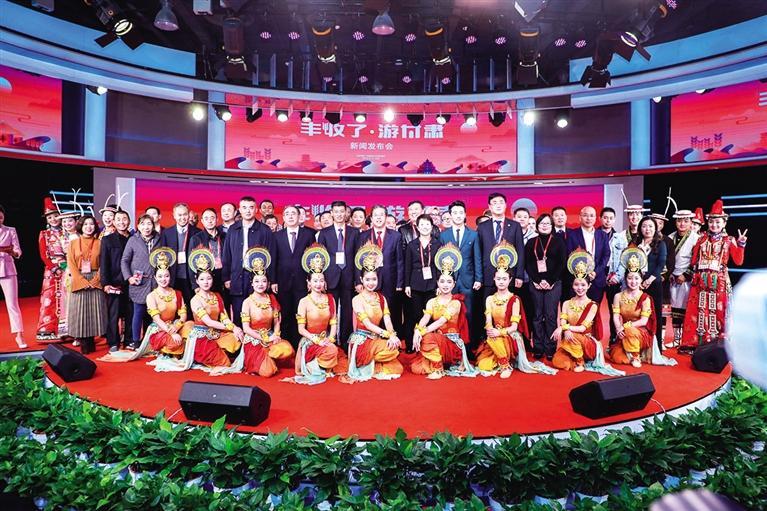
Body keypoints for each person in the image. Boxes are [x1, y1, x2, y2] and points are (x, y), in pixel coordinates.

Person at [98, 247, 193, 368]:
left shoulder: (177, 293)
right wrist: (171, 332)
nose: (163, 279)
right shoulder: (151, 296)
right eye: (160, 276)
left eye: (166, 276)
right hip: (160, 329)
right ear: (155, 278)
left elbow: (183, 315)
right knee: (175, 343)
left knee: (191, 326)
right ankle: (171, 348)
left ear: (170, 277)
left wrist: (176, 327)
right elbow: (157, 319)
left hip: (175, 326)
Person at [476, 242, 557, 377]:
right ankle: (502, 358)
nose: (501, 281)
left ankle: (505, 365)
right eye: (498, 279)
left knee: (494, 342)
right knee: (484, 365)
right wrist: (491, 331)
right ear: (494, 279)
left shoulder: (514, 299)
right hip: (494, 336)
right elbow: (488, 321)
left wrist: (499, 332)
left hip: (510, 336)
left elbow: (514, 327)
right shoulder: (489, 299)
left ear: (510, 280)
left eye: (504, 279)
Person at [680, 200, 747, 352]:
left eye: (717, 222)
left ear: (724, 223)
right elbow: (694, 260)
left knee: (718, 311)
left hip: (719, 282)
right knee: (698, 310)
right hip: (700, 281)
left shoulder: (729, 240)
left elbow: (738, 261)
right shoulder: (702, 239)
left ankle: (720, 344)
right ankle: (696, 343)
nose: (714, 225)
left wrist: (741, 245)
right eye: (711, 222)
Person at [550, 249, 623, 376]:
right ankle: (574, 357)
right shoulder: (566, 303)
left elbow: (582, 328)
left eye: (583, 285)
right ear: (572, 285)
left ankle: (579, 361)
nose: (580, 288)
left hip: (587, 342)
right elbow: (563, 321)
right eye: (576, 285)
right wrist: (565, 328)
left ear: (589, 286)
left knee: (575, 336)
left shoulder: (592, 305)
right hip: (570, 338)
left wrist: (564, 328)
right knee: (558, 362)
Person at [223, 248, 294, 377]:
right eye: (257, 281)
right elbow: (246, 329)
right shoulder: (247, 302)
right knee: (268, 371)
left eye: (263, 281)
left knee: (288, 350)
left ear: (268, 283)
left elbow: (277, 322)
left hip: (270, 337)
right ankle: (261, 360)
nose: (260, 284)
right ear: (252, 283)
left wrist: (276, 335)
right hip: (254, 340)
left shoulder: (272, 299)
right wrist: (265, 338)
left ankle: (268, 356)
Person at [410, 245, 477, 379]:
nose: (445, 285)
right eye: (442, 281)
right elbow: (425, 318)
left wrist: (422, 332)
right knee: (416, 368)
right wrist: (417, 330)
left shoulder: (456, 303)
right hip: (437, 341)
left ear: (454, 284)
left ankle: (438, 369)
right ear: (437, 283)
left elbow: (441, 321)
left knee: (427, 337)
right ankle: (437, 361)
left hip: (452, 344)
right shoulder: (432, 301)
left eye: (449, 282)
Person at [285, 244, 348, 384]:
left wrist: (330, 338)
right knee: (332, 351)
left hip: (326, 340)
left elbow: (333, 323)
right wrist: (316, 339)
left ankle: (319, 365)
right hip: (310, 340)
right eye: (315, 281)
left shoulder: (330, 299)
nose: (318, 284)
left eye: (321, 280)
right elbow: (301, 329)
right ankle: (311, 365)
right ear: (308, 283)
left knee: (337, 355)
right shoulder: (304, 301)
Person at [609, 248, 677, 368]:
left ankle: (636, 356)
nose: (633, 281)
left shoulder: (645, 298)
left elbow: (644, 321)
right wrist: (619, 328)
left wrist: (626, 327)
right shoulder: (618, 296)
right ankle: (630, 350)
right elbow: (615, 316)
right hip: (624, 331)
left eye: (636, 278)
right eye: (630, 278)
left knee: (630, 331)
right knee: (618, 358)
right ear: (625, 279)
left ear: (641, 279)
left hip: (640, 331)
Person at [346, 243, 404, 382]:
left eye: (374, 279)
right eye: (367, 280)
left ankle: (374, 363)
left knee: (397, 364)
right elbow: (367, 324)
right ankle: (368, 362)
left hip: (376, 339)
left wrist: (392, 335)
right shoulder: (357, 299)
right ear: (361, 280)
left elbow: (387, 320)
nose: (371, 283)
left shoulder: (381, 298)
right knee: (392, 351)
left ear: (378, 279)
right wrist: (387, 335)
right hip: (362, 342)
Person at [222, 196, 276, 326]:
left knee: (257, 314)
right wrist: (226, 277)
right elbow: (227, 255)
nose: (248, 211)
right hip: (237, 276)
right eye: (244, 208)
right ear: (239, 210)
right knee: (238, 312)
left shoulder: (264, 230)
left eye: (251, 207)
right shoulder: (233, 229)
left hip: (258, 277)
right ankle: (240, 338)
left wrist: (271, 279)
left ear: (256, 210)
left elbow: (272, 256)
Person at [187, 248, 244, 369]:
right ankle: (203, 355)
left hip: (216, 333)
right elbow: (209, 322)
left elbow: (224, 318)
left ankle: (218, 351)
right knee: (225, 363)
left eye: (209, 278)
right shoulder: (195, 300)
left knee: (236, 338)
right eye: (202, 279)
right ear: (197, 281)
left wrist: (234, 328)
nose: (206, 282)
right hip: (202, 337)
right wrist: (232, 327)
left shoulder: (217, 296)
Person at [353, 205, 404, 329]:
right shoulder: (363, 236)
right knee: (371, 310)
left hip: (389, 280)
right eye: (376, 215)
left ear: (386, 217)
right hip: (369, 280)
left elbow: (399, 261)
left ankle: (390, 336)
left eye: (381, 215)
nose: (379, 218)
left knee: (389, 310)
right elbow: (357, 260)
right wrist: (358, 281)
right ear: (371, 218)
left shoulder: (396, 236)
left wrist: (399, 283)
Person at [440, 200, 482, 347]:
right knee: (449, 314)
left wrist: (478, 278)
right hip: (449, 282)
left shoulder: (473, 235)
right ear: (450, 215)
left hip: (468, 280)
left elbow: (477, 257)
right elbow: (440, 259)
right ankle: (451, 346)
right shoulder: (444, 235)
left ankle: (469, 347)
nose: (458, 215)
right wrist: (441, 281)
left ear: (465, 215)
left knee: (468, 313)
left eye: (460, 213)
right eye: (455, 213)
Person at [524, 213, 566, 360]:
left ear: (552, 226)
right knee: (536, 316)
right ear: (537, 226)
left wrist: (550, 281)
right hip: (535, 283)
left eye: (548, 223)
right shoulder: (531, 242)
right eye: (542, 223)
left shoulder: (559, 241)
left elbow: (562, 263)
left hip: (554, 284)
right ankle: (538, 347)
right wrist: (536, 280)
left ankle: (550, 348)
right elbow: (528, 263)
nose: (545, 226)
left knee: (550, 316)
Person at [273, 205, 316, 347]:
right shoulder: (277, 236)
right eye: (287, 214)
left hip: (302, 281)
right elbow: (274, 259)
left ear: (299, 217)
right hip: (282, 281)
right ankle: (286, 345)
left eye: (293, 213)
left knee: (301, 315)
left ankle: (300, 345)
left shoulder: (308, 234)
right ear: (283, 217)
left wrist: (310, 279)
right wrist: (273, 280)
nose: (290, 216)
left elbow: (312, 259)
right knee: (285, 314)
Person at [317, 201, 358, 348]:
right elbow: (320, 258)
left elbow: (357, 257)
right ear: (332, 213)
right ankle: (329, 341)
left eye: (342, 211)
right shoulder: (324, 233)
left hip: (348, 277)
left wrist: (358, 280)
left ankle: (346, 343)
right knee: (329, 311)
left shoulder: (354, 232)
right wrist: (321, 279)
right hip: (330, 278)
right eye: (336, 212)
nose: (339, 214)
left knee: (347, 311)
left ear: (346, 213)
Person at [66, 214, 107, 354]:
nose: (89, 227)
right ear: (80, 226)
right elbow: (71, 264)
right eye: (85, 224)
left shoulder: (100, 243)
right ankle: (83, 342)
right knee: (79, 312)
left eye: (91, 224)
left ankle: (91, 342)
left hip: (96, 278)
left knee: (95, 312)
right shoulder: (73, 243)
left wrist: (95, 280)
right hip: (79, 279)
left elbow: (104, 264)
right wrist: (82, 281)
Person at [121, 214, 161, 350]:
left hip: (156, 283)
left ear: (153, 226)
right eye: (143, 224)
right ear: (138, 226)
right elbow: (124, 260)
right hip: (139, 282)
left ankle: (150, 341)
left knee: (153, 313)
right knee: (138, 313)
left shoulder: (159, 239)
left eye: (149, 224)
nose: (146, 227)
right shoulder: (133, 240)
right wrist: (129, 277)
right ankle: (136, 341)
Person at [477, 192, 525, 299]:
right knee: (488, 306)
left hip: (509, 275)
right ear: (490, 206)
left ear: (506, 205)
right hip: (488, 276)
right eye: (494, 203)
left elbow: (520, 251)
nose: (498, 205)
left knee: (509, 306)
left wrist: (519, 275)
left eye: (501, 202)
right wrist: (479, 277)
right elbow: (478, 253)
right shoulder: (482, 227)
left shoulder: (515, 226)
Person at [404, 214, 442, 351]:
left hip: (432, 285)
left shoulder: (438, 244)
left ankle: (428, 344)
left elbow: (439, 266)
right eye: (422, 225)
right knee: (415, 315)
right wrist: (407, 284)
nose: (425, 227)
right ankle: (411, 344)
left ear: (432, 227)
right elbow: (407, 266)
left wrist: (439, 284)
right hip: (415, 284)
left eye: (427, 225)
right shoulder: (411, 245)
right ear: (417, 227)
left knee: (430, 315)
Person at [99, 209, 133, 352]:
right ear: (113, 222)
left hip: (131, 282)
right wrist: (106, 283)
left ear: (129, 221)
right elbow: (104, 263)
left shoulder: (134, 238)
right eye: (118, 219)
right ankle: (113, 342)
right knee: (113, 314)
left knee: (130, 312)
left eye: (124, 219)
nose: (121, 222)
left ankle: (129, 340)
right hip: (114, 282)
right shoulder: (107, 239)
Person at [159, 203, 200, 309]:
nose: (182, 218)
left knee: (191, 307)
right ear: (174, 215)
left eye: (185, 214)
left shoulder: (197, 233)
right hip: (173, 277)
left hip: (190, 278)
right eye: (179, 215)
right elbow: (163, 254)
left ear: (189, 215)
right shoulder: (166, 233)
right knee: (173, 307)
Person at [667, 209, 699, 347]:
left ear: (691, 222)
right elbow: (666, 259)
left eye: (686, 221)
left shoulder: (696, 239)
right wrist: (669, 273)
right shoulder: (670, 237)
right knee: (675, 309)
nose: (682, 224)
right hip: (672, 278)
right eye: (679, 221)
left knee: (687, 309)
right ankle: (676, 339)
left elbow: (698, 260)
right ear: (675, 222)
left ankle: (686, 340)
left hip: (687, 280)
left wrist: (686, 275)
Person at [37, 197, 66, 341]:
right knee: (49, 299)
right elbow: (43, 255)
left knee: (66, 299)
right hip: (51, 270)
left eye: (55, 216)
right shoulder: (44, 234)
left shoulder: (66, 232)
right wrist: (54, 268)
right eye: (50, 217)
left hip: (67, 269)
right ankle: (46, 329)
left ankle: (65, 329)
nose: (53, 219)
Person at [566, 206, 610, 302]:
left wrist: (595, 272)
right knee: (577, 309)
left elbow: (606, 255)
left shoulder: (602, 235)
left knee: (595, 308)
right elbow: (569, 255)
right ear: (580, 217)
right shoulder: (572, 234)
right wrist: (581, 273)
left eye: (591, 216)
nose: (588, 218)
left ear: (596, 218)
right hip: (578, 280)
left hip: (597, 279)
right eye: (585, 215)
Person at [636, 216, 667, 350]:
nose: (647, 229)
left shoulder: (661, 244)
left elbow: (661, 264)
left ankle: (656, 347)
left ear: (655, 229)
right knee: (638, 314)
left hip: (654, 284)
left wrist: (649, 280)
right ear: (640, 228)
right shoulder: (636, 243)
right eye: (644, 226)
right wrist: (637, 280)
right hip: (637, 285)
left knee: (655, 315)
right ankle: (639, 346)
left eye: (650, 226)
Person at [189, 208, 227, 310]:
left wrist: (228, 277)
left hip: (222, 276)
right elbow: (191, 262)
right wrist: (195, 285)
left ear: (217, 219)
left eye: (212, 218)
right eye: (206, 218)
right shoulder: (196, 238)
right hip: (206, 276)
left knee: (224, 306)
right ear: (202, 221)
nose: (209, 221)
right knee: (208, 307)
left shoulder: (225, 236)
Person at [601, 206, 628, 344]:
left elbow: (624, 259)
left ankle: (613, 338)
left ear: (614, 220)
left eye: (611, 218)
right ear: (601, 218)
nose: (608, 220)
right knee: (592, 308)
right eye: (605, 217)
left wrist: (617, 276)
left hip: (614, 276)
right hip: (598, 275)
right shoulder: (595, 235)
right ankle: (592, 338)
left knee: (614, 310)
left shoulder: (620, 238)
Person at [0, 205, 25, 348]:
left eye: (1, 216)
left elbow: (18, 251)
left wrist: (13, 252)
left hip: (8, 269)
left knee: (12, 304)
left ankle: (19, 335)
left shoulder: (10, 230)